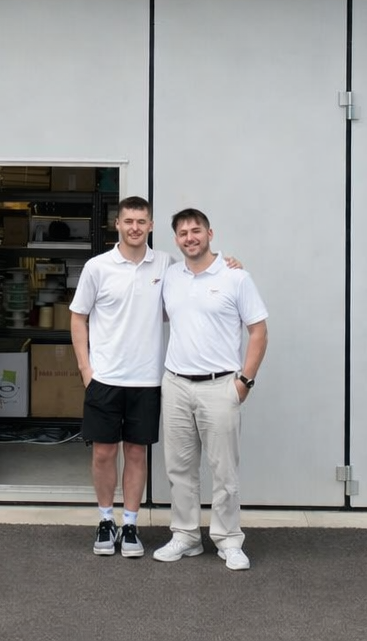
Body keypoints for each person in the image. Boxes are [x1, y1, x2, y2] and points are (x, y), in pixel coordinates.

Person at [69, 197, 241, 558]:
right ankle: (105, 520)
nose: (134, 227)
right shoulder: (97, 267)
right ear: (117, 224)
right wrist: (87, 370)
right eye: (128, 221)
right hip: (105, 379)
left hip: (147, 381)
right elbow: (78, 317)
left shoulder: (167, 265)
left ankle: (129, 524)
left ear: (150, 226)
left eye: (141, 221)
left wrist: (229, 266)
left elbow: (201, 273)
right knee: (103, 453)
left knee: (135, 453)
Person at [152, 207, 269, 571]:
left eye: (196, 230)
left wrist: (244, 382)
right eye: (183, 232)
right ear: (176, 240)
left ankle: (228, 540)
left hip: (221, 386)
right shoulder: (170, 277)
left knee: (224, 471)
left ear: (210, 233)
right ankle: (186, 537)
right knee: (180, 468)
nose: (190, 237)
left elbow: (259, 331)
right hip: (175, 385)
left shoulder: (236, 277)